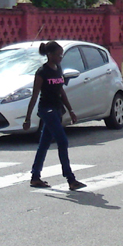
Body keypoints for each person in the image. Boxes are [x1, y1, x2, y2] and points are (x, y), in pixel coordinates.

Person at [22, 41, 87, 190]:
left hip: (57, 110)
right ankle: (70, 179)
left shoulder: (58, 69)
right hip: (47, 110)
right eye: (58, 55)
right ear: (49, 55)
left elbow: (61, 91)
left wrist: (70, 110)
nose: (61, 57)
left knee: (44, 143)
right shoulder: (42, 72)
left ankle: (35, 177)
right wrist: (27, 119)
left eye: (61, 55)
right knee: (62, 141)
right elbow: (34, 95)